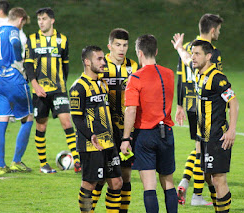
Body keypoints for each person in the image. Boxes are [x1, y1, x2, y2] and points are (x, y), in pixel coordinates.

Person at [172, 35, 239, 212]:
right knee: (208, 178)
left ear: (208, 56)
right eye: (193, 53)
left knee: (218, 179)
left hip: (217, 137)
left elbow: (233, 102)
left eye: (197, 54)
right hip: (203, 137)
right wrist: (179, 48)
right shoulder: (197, 72)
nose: (193, 57)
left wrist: (232, 130)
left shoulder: (218, 78)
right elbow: (185, 59)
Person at [121, 34, 178, 213]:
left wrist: (125, 138)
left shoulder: (136, 78)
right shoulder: (169, 74)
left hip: (145, 135)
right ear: (156, 51)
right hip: (166, 133)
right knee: (168, 183)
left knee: (149, 186)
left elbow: (131, 110)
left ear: (139, 53)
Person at [174, 13, 223, 206]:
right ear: (212, 30)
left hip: (190, 104)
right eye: (218, 30)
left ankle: (186, 184)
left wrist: (179, 105)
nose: (219, 33)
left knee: (198, 148)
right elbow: (217, 81)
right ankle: (197, 195)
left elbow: (181, 77)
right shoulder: (212, 52)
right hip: (207, 106)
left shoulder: (188, 49)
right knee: (203, 151)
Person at [24, 7, 80, 173]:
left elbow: (65, 65)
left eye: (44, 19)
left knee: (67, 122)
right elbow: (28, 65)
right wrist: (35, 85)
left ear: (52, 20)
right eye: (39, 19)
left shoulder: (62, 39)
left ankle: (77, 162)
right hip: (39, 91)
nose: (41, 22)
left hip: (59, 90)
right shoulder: (32, 39)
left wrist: (62, 83)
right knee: (41, 127)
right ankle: (43, 165)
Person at [70, 45, 123, 212]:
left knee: (116, 183)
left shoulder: (102, 83)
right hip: (91, 145)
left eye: (103, 58)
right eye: (99, 59)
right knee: (89, 184)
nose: (103, 62)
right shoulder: (78, 87)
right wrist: (91, 135)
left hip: (109, 143)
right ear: (87, 62)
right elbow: (77, 118)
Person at [92, 28, 139, 213]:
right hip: (105, 131)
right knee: (102, 177)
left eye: (125, 45)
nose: (122, 49)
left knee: (125, 176)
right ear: (109, 46)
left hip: (126, 131)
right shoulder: (101, 65)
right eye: (118, 45)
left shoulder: (133, 66)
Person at [0, 7, 33, 175]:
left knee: (2, 120)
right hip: (14, 79)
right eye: (23, 24)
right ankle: (16, 161)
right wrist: (20, 65)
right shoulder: (14, 32)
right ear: (20, 19)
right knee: (28, 118)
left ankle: (1, 166)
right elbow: (15, 43)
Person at [0, 0, 27, 76]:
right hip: (14, 65)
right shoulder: (13, 23)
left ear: (0, 11)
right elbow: (23, 40)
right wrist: (22, 58)